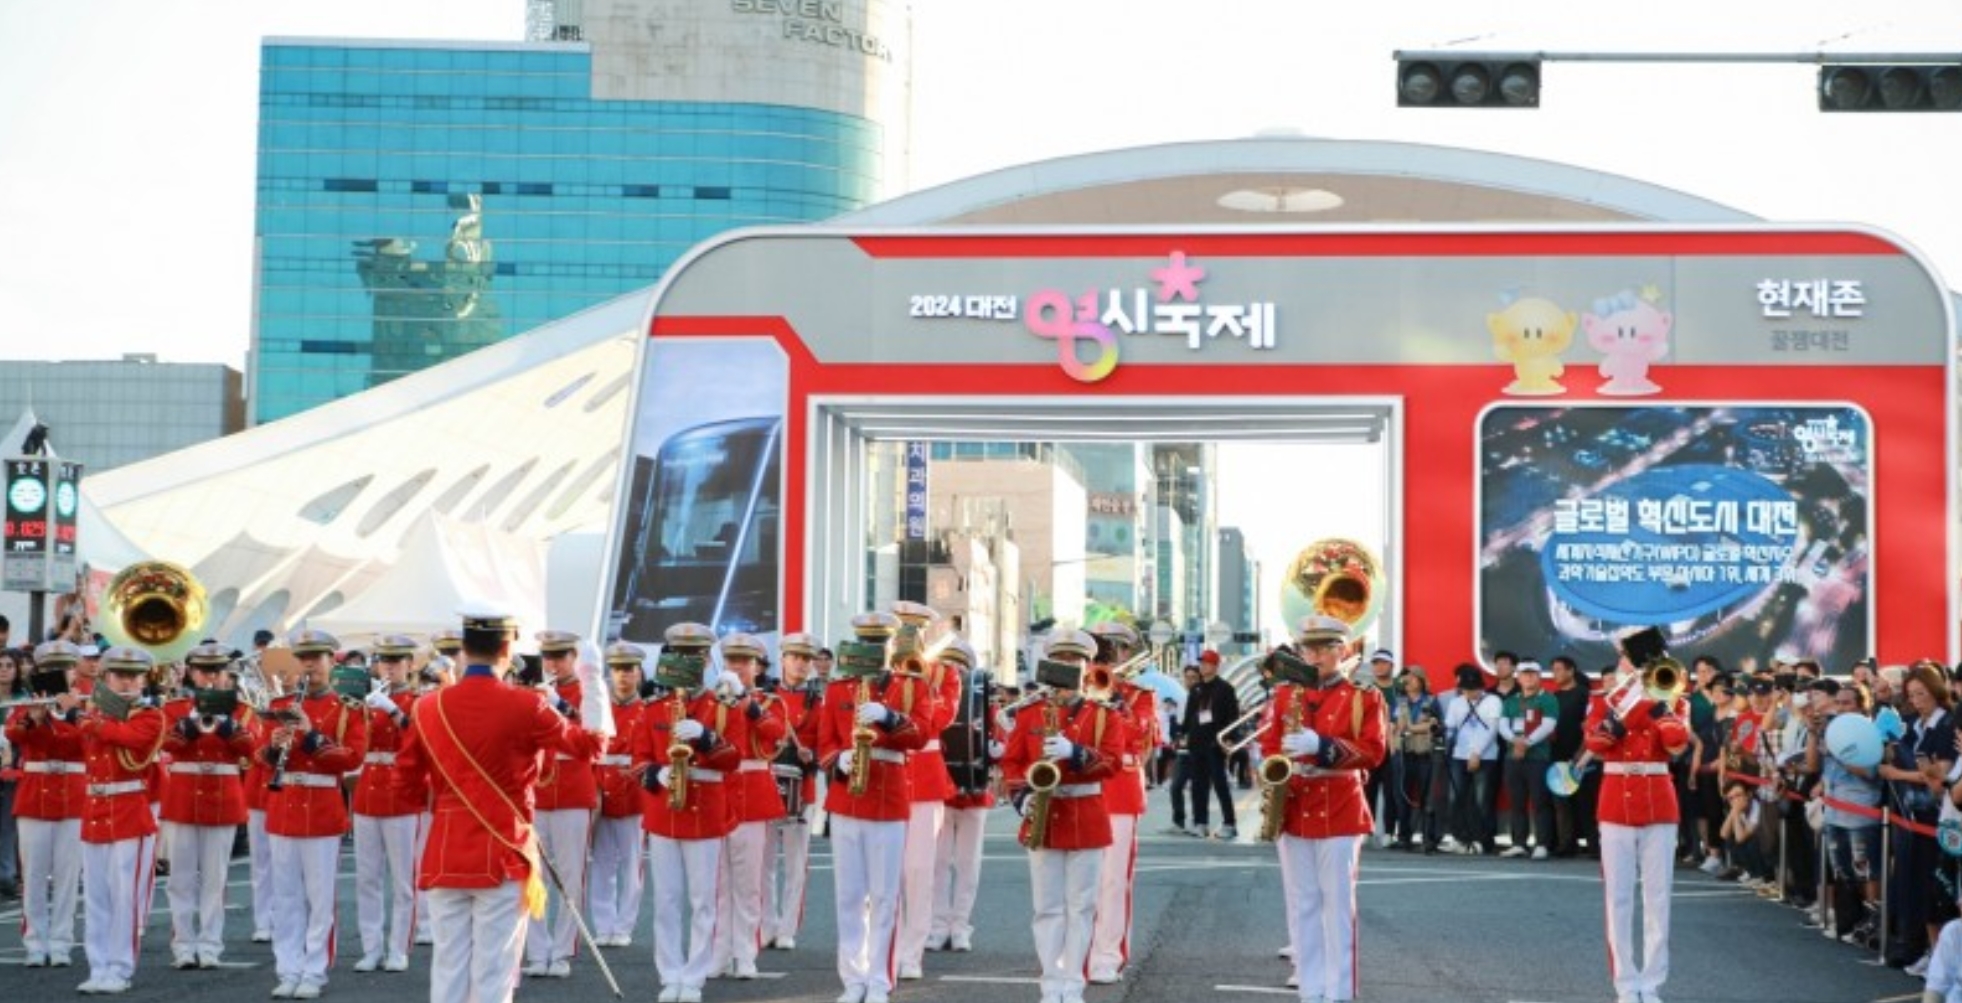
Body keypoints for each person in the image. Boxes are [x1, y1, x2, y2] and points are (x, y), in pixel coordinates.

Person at [393, 608, 590, 1003]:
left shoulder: (427, 706)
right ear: (506, 648)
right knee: (494, 972)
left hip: (446, 849)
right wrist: (595, 686)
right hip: (504, 849)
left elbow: (406, 784)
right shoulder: (527, 704)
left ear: (465, 648)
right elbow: (590, 747)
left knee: (448, 969)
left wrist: (446, 799)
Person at [1000, 629, 1126, 1003]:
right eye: (1061, 659)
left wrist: (1076, 753)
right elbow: (1012, 761)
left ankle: (1072, 984)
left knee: (1081, 907)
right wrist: (1022, 797)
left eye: (1076, 660)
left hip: (1086, 812)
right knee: (1047, 908)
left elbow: (1113, 763)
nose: (1068, 666)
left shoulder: (1103, 715)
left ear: (1087, 667)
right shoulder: (1030, 713)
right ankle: (1050, 983)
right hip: (1043, 811)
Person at [819, 615, 930, 1003]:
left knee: (884, 896)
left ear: (891, 646)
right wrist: (839, 758)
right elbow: (824, 742)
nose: (873, 650)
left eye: (879, 643)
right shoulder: (838, 688)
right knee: (849, 895)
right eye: (866, 642)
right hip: (847, 794)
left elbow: (922, 734)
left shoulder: (911, 686)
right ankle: (853, 979)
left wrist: (889, 716)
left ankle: (880, 979)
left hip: (888, 794)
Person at [633, 623, 739, 1003]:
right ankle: (670, 973)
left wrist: (707, 737)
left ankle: (694, 976)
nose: (689, 662)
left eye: (696, 655)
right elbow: (637, 760)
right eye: (682, 654)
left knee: (703, 901)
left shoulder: (721, 706)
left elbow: (734, 759)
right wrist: (654, 773)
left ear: (707, 659)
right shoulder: (654, 708)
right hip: (665, 809)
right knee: (666, 900)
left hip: (705, 810)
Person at [1585, 645, 1691, 1003]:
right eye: (1630, 662)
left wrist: (1658, 706)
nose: (1634, 668)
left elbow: (1676, 745)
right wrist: (1629, 706)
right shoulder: (1604, 701)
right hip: (1616, 800)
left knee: (1659, 898)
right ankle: (1626, 985)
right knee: (1618, 898)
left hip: (1658, 800)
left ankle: (1652, 983)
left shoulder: (1676, 702)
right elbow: (1596, 742)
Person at [68, 646, 165, 995]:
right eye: (119, 675)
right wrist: (51, 716)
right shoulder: (95, 714)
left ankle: (120, 967)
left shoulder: (150, 715)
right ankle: (98, 966)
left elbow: (133, 739)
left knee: (125, 897)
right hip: (95, 810)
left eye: (134, 676)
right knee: (95, 897)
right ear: (106, 679)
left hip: (128, 809)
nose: (127, 682)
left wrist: (90, 719)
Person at [159, 643, 254, 970]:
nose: (211, 677)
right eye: (203, 670)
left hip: (222, 796)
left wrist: (226, 724)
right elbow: (166, 744)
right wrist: (190, 722)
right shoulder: (175, 708)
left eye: (217, 670)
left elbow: (252, 748)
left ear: (227, 673)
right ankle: (183, 945)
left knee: (216, 878)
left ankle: (211, 944)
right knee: (180, 878)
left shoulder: (241, 710)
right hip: (184, 796)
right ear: (191, 673)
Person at [521, 630, 606, 980]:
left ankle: (562, 950)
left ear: (574, 658)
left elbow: (594, 736)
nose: (553, 663)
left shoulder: (590, 691)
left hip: (572, 789)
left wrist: (561, 705)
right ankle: (537, 950)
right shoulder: (535, 692)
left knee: (571, 876)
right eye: (548, 657)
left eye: (560, 656)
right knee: (533, 876)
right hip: (539, 791)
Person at [709, 631, 788, 980]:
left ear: (758, 667)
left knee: (748, 882)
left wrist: (747, 704)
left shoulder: (770, 701)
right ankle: (719, 953)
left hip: (753, 793)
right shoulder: (712, 700)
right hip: (718, 791)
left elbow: (776, 735)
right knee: (718, 882)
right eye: (732, 660)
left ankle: (745, 953)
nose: (738, 667)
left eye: (745, 662)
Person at [890, 601, 960, 983]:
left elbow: (940, 719)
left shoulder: (945, 674)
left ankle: (911, 951)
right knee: (883, 872)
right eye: (902, 628)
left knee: (918, 870)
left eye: (915, 629)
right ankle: (883, 948)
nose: (909, 636)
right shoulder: (880, 673)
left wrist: (920, 682)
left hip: (925, 776)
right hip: (886, 772)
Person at [350, 635, 426, 973]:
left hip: (401, 794)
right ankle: (371, 948)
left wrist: (393, 710)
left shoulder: (417, 701)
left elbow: (419, 739)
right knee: (367, 878)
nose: (389, 668)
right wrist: (360, 710)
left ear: (410, 664)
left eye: (396, 662)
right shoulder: (365, 702)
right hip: (368, 792)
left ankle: (399, 948)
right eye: (384, 662)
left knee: (403, 880)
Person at [9, 640, 86, 967]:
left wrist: (69, 714)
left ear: (74, 672)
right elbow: (14, 734)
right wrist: (35, 719)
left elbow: (88, 743)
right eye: (51, 668)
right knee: (34, 874)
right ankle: (35, 942)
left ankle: (61, 941)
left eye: (64, 667)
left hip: (72, 796)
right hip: (35, 795)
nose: (59, 673)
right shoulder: (30, 704)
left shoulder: (86, 706)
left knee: (68, 876)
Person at [1087, 621, 1154, 984]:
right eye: (1101, 648)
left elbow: (1138, 737)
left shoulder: (1139, 696)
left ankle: (1108, 954)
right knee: (1078, 879)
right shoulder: (1078, 687)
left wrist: (1115, 704)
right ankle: (1078, 951)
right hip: (1081, 784)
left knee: (1113, 879)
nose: (1107, 656)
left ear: (1128, 653)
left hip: (1120, 789)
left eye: (1115, 648)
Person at [927, 637, 990, 954]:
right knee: (937, 863)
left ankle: (961, 926)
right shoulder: (930, 697)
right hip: (939, 790)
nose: (954, 668)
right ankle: (937, 926)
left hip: (974, 792)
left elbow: (996, 733)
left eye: (961, 664)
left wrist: (994, 750)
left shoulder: (982, 697)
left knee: (968, 864)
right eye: (948, 662)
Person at [763, 632, 824, 951]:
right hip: (767, 782)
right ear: (783, 659)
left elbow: (827, 742)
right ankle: (767, 924)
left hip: (802, 786)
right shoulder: (767, 697)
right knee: (764, 862)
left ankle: (787, 928)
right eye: (795, 657)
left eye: (806, 659)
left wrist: (812, 755)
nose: (801, 664)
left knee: (796, 863)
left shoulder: (818, 701)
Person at [588, 642, 649, 949]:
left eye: (629, 669)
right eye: (617, 670)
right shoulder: (599, 708)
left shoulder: (646, 710)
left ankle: (624, 925)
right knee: (602, 863)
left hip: (633, 792)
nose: (623, 676)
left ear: (639, 673)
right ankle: (604, 924)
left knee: (632, 865)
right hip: (601, 786)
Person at [1498, 660, 1559, 858]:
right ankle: (1519, 843)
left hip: (1538, 758)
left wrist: (1527, 743)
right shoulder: (1510, 701)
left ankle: (1542, 844)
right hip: (1513, 758)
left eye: (1533, 674)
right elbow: (1502, 726)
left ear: (1539, 676)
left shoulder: (1548, 699)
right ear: (1518, 677)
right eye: (1525, 674)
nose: (1529, 677)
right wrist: (1515, 741)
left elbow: (1548, 726)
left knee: (1540, 801)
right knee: (1516, 802)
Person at [1442, 664, 1500, 855]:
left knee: (1482, 800)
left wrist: (1477, 753)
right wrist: (1442, 736)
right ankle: (1459, 837)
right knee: (1455, 798)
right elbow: (1450, 726)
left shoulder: (1493, 701)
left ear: (1481, 686)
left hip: (1486, 756)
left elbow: (1492, 730)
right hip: (1459, 755)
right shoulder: (1456, 703)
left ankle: (1482, 840)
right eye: (1466, 689)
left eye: (1473, 688)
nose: (1470, 693)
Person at [1183, 650, 1240, 840]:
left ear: (1215, 666)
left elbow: (1233, 716)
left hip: (1215, 744)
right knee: (1198, 785)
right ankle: (1200, 823)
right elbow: (1189, 716)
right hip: (1196, 743)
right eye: (1201, 663)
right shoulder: (1196, 689)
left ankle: (1229, 823)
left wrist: (1229, 738)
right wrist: (1182, 734)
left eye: (1206, 663)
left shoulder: (1225, 689)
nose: (1202, 666)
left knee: (1220, 784)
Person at [1387, 666, 1440, 851]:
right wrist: (1392, 748)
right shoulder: (1398, 701)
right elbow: (1392, 726)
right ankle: (1404, 836)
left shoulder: (1431, 701)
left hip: (1424, 754)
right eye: (1406, 678)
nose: (1408, 681)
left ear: (1421, 680)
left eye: (1413, 678)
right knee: (1401, 795)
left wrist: (1411, 727)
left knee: (1427, 796)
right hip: (1402, 753)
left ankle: (1428, 838)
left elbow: (1433, 725)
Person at [1162, 665, 1201, 835]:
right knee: (1176, 786)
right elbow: (1178, 724)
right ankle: (1178, 822)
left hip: (1199, 749)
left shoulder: (1203, 697)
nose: (1190, 681)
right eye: (1187, 677)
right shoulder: (1183, 698)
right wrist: (1177, 738)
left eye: (1193, 677)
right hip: (1184, 749)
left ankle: (1199, 822)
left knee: (1198, 788)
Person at [0, 645, 24, 902]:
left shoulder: (24, 699)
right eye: (0, 666)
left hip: (13, 766)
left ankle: (7, 876)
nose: (4, 670)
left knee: (8, 824)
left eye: (9, 666)